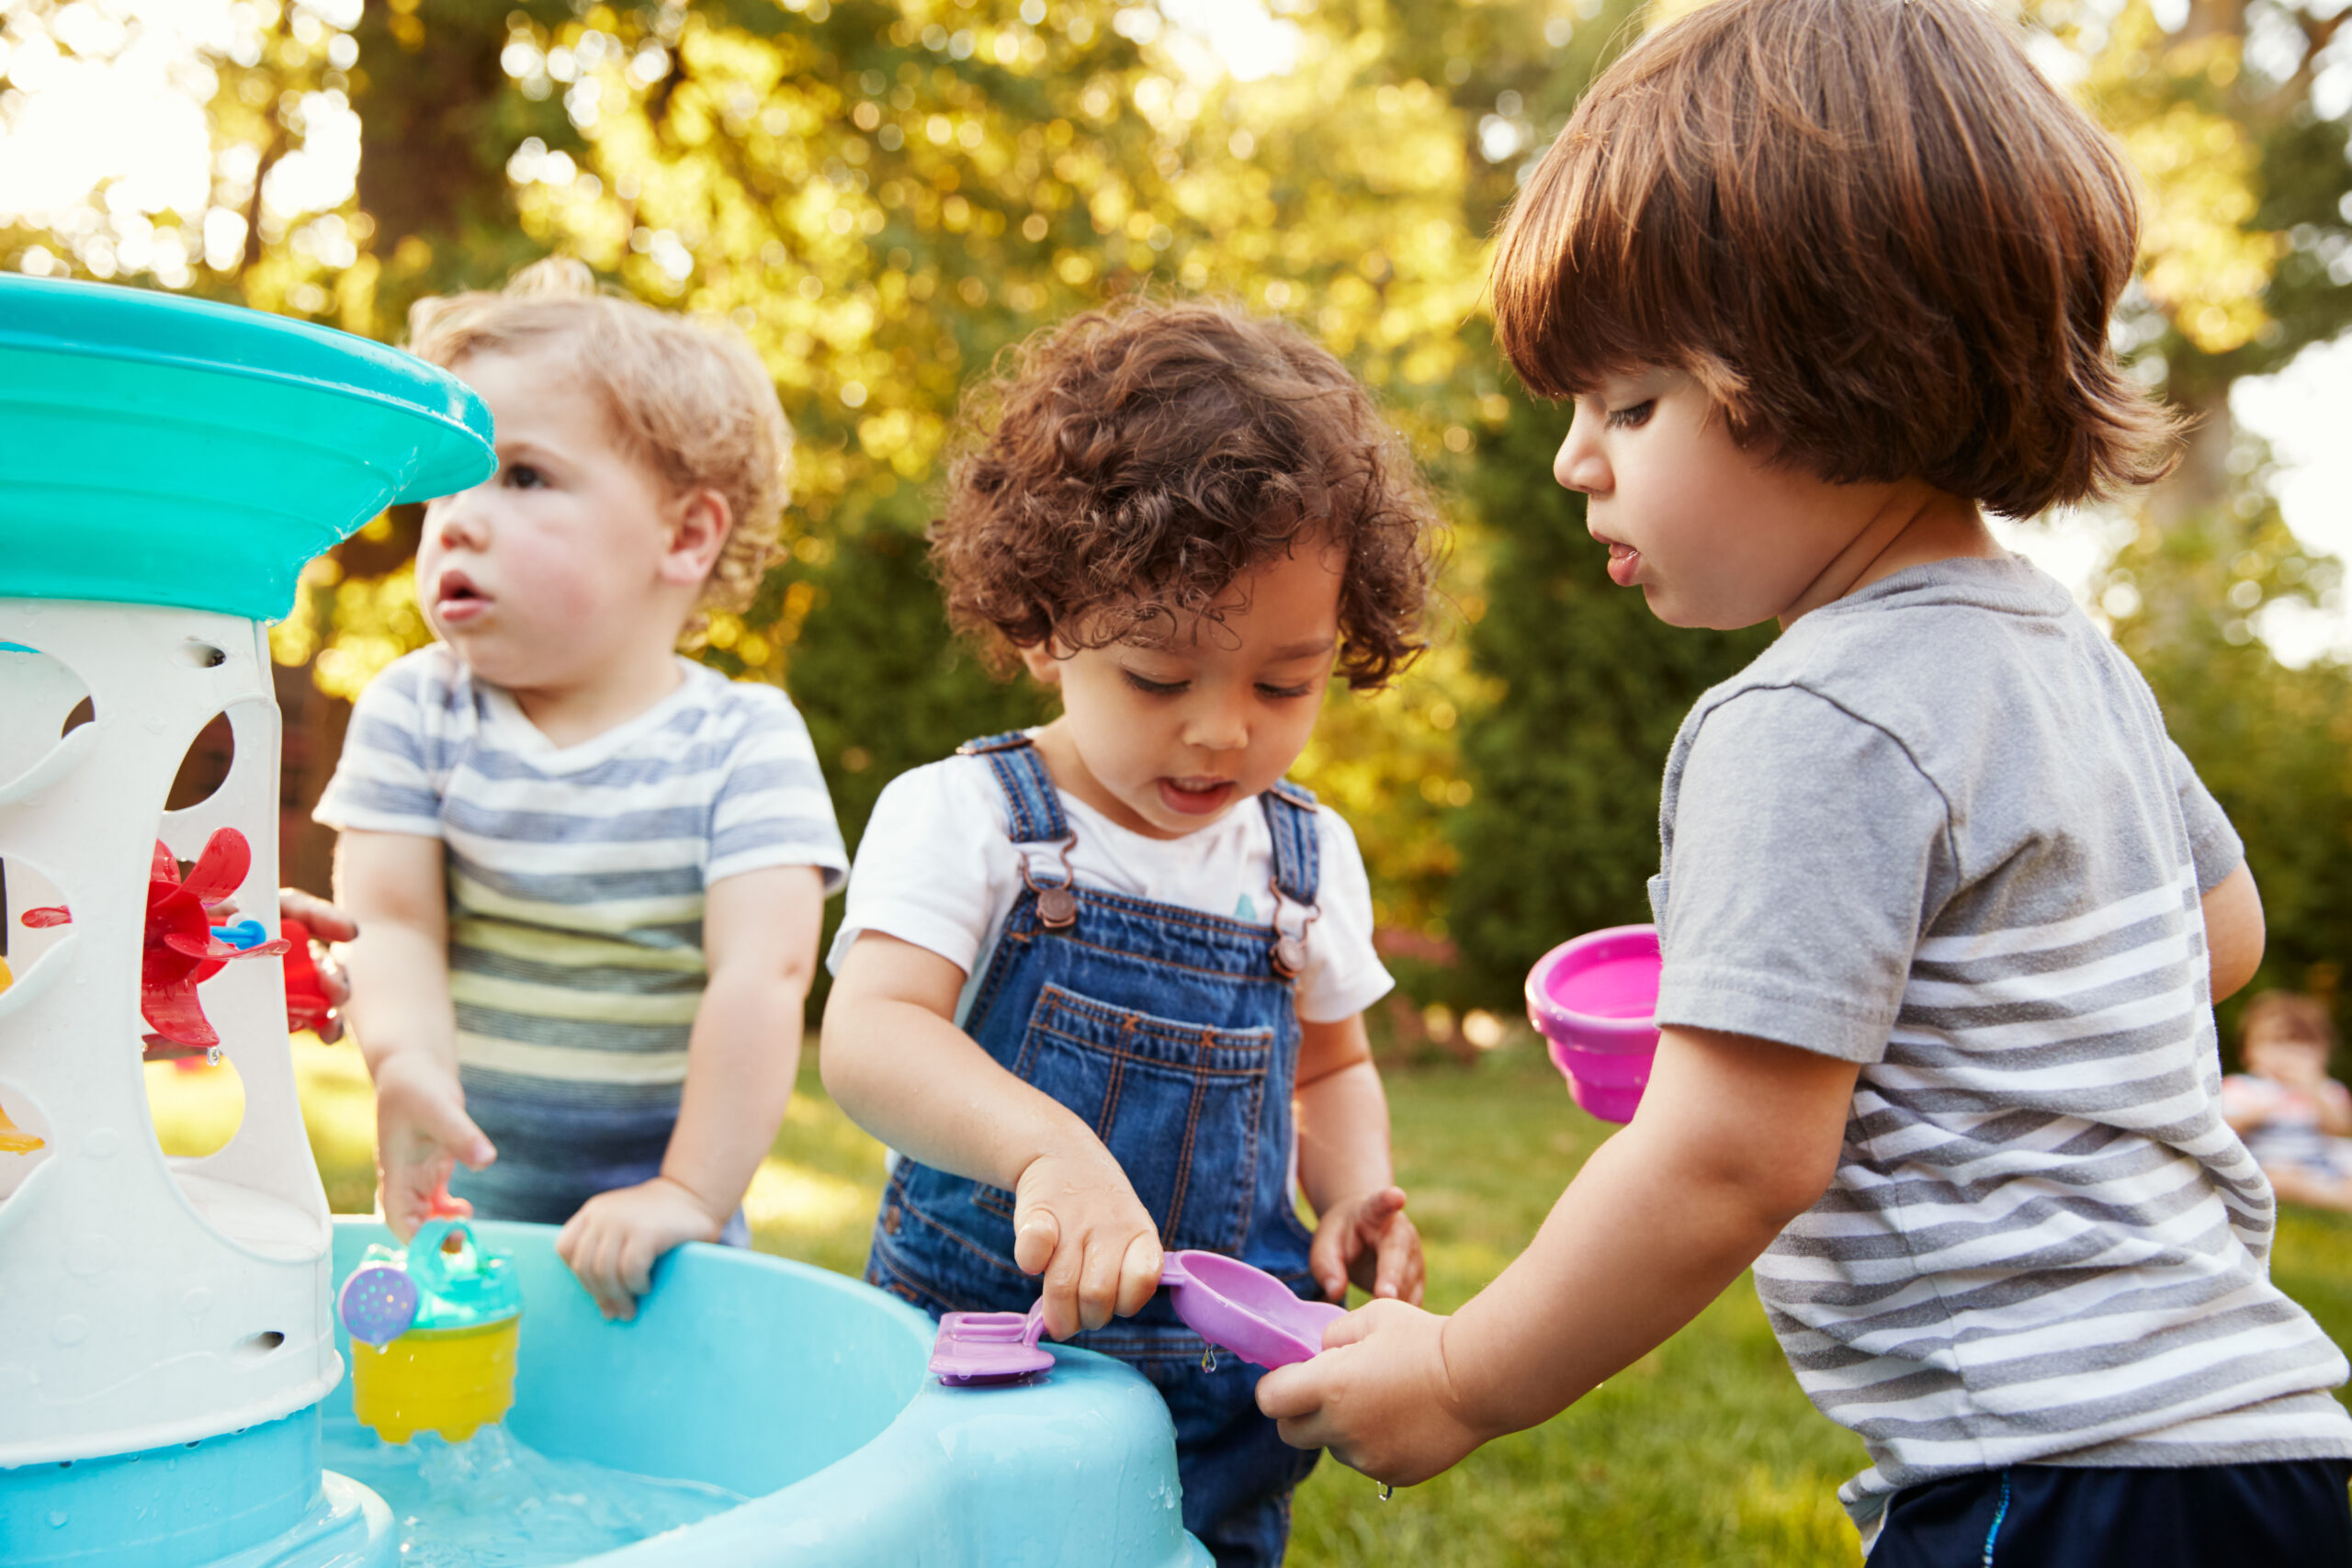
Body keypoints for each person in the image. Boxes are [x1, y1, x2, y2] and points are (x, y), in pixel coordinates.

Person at [1255, 2, 2352, 1563]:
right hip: (2254, 1446)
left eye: (1631, 404)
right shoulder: (2065, 650)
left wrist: (1459, 1374)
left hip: (2052, 1476)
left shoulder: (1812, 714)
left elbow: (1730, 1156)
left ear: (1843, 372)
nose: (1578, 457)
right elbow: (2217, 939)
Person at [820, 299, 1434, 1566]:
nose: (1222, 732)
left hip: (1217, 1401)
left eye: (1284, 681)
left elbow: (1330, 1063)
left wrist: (1354, 1191)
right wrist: (1045, 1149)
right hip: (987, 1370)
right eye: (1159, 677)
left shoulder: (1301, 859)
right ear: (1046, 624)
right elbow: (873, 1036)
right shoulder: (971, 817)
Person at [316, 259, 844, 1321]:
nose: (456, 521)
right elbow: (394, 925)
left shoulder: (741, 739)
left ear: (685, 536)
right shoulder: (417, 711)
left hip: (661, 1248)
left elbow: (763, 973)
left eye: (520, 477)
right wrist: (406, 1062)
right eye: (446, 485)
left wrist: (687, 1192)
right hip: (462, 1214)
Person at [2222, 992, 2352, 1211]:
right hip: (2269, 1164)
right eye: (2275, 1044)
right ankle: (2329, 1199)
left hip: (2320, 1166)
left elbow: (2341, 1128)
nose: (2286, 1055)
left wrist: (2314, 1090)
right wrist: (2257, 1114)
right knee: (2279, 1180)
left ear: (2322, 1054)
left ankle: (2328, 1194)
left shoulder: (2326, 1089)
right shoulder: (2244, 1088)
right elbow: (2222, 1129)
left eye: (2299, 1046)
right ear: (2248, 1052)